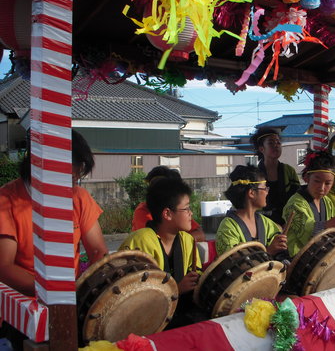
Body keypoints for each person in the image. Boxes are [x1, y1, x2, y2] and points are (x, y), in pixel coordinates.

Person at [0, 130, 108, 297]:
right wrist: (53, 294)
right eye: (69, 178)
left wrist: (81, 290)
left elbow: (97, 251)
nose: (72, 186)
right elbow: (4, 267)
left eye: (76, 179)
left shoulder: (79, 197)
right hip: (25, 305)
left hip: (71, 298)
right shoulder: (6, 201)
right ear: (40, 167)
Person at [119, 177, 203, 328]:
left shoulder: (187, 240)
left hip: (180, 313)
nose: (191, 213)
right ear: (167, 214)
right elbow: (130, 293)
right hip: (147, 320)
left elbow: (197, 271)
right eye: (186, 208)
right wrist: (177, 288)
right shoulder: (140, 241)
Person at [283, 149, 335, 257]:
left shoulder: (326, 201)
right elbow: (310, 234)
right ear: (307, 178)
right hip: (298, 259)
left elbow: (333, 229)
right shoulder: (295, 204)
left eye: (327, 183)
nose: (322, 188)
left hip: (319, 254)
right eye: (317, 181)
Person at [215, 165, 288, 257]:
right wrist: (268, 251)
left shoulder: (266, 223)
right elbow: (234, 264)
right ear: (251, 193)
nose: (267, 192)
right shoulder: (228, 228)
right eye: (264, 188)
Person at [132, 166, 206, 242]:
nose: (191, 212)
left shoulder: (178, 210)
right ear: (167, 213)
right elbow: (150, 240)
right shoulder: (143, 211)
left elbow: (200, 234)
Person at [250, 128, 300, 226]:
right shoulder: (254, 174)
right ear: (261, 149)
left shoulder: (289, 171)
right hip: (262, 223)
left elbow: (297, 198)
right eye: (271, 143)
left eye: (278, 143)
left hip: (288, 222)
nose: (276, 146)